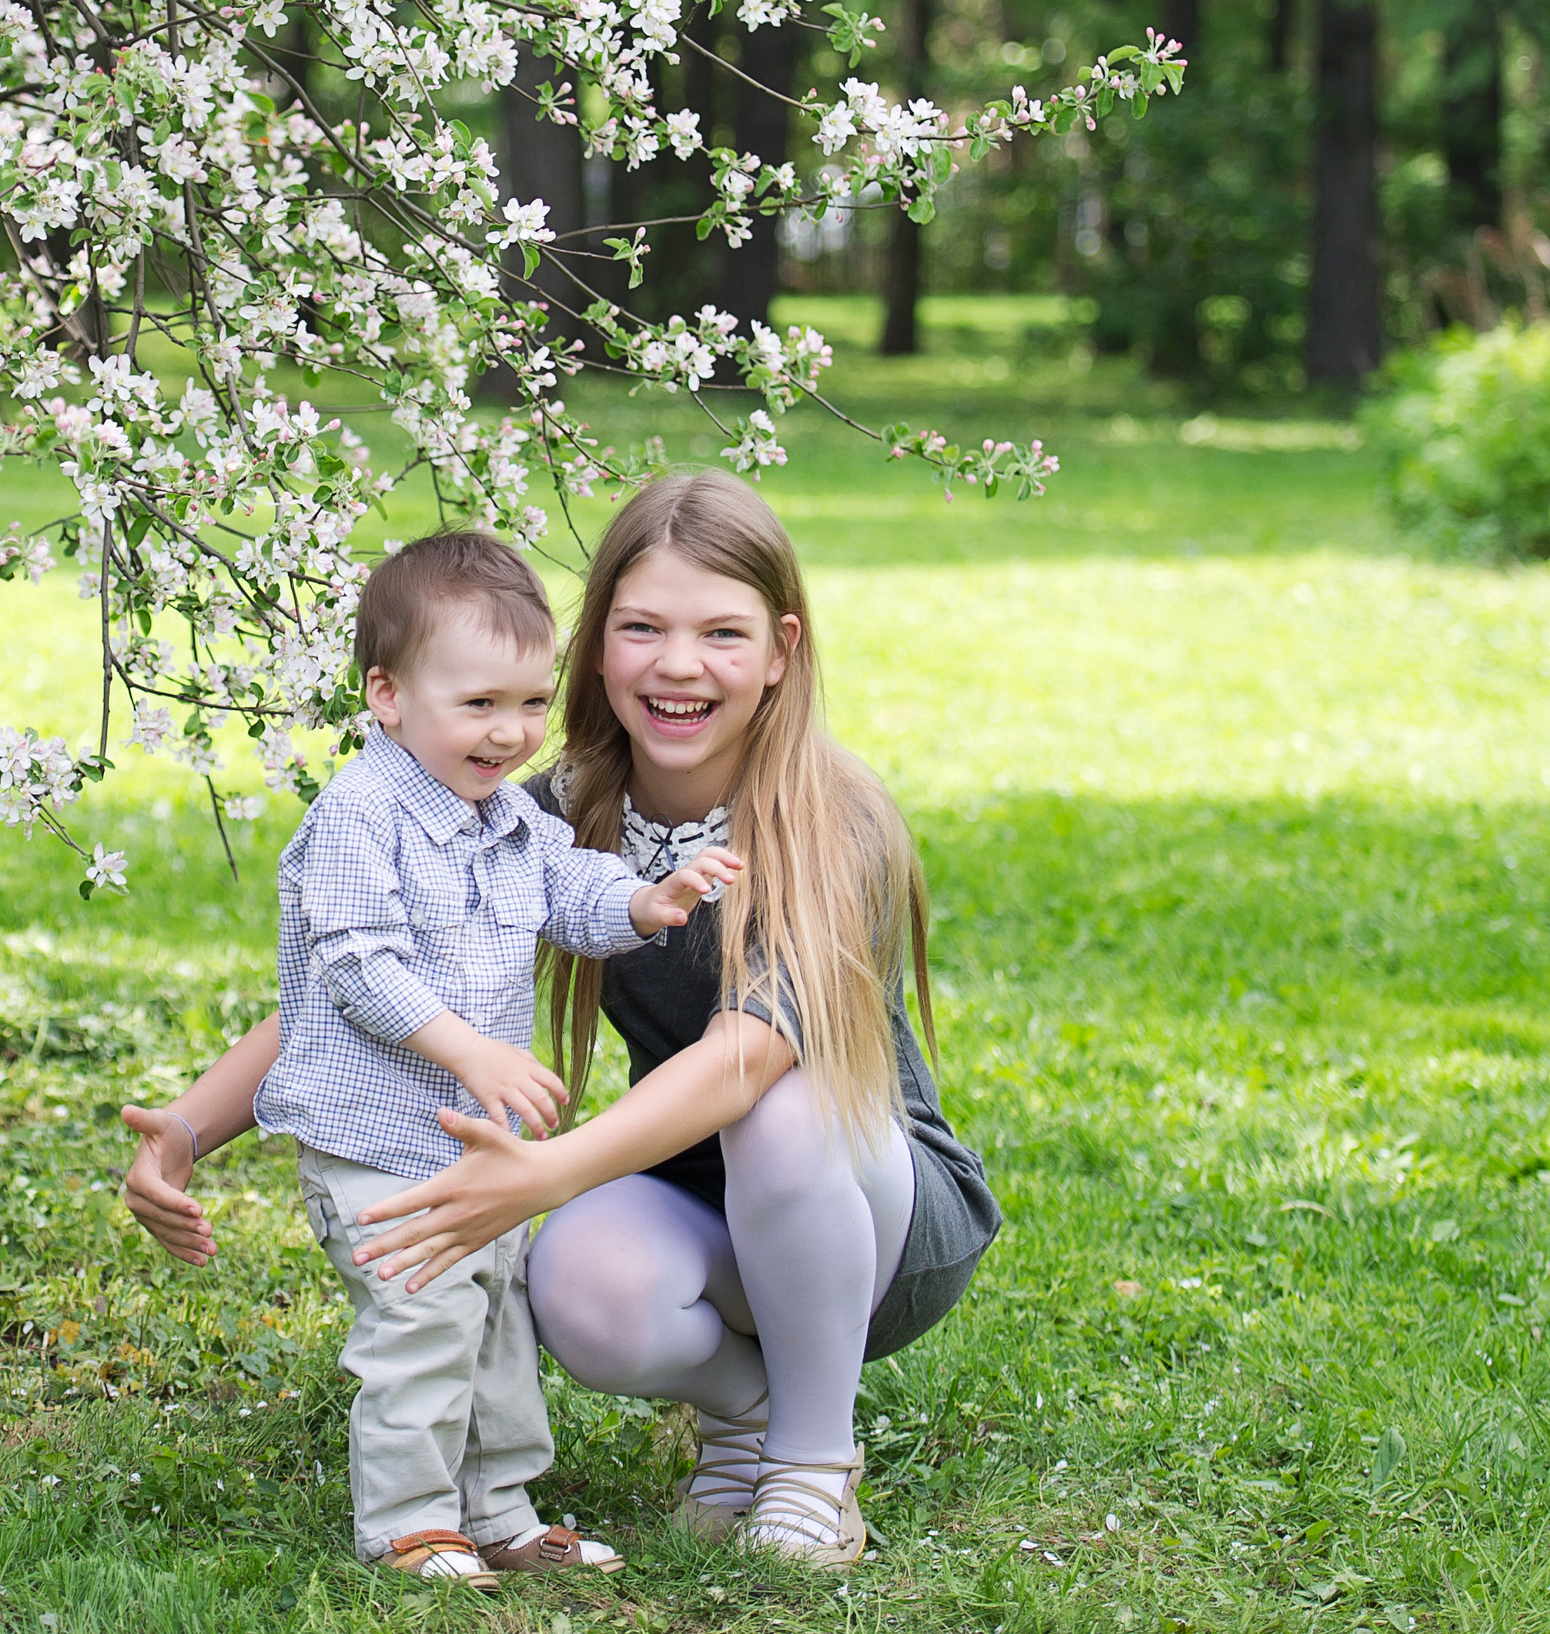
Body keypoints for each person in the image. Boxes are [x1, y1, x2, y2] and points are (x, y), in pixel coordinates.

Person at [122, 472, 999, 1572]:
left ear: (780, 648)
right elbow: (371, 980)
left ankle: (813, 1468)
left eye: (720, 632)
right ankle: (745, 1421)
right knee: (576, 1283)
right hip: (700, 1196)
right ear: (594, 651)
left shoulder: (833, 817)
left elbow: (748, 1059)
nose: (679, 663)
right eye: (641, 627)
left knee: (775, 1111)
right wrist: (187, 1129)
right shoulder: (546, 809)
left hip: (872, 1212)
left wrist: (551, 1170)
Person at [243, 530, 740, 1590]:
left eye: (528, 702)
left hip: (474, 1142)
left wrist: (645, 901)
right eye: (478, 705)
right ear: (386, 692)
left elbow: (569, 887)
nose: (509, 732)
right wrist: (469, 1047)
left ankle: (499, 1507)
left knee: (496, 1318)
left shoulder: (505, 814)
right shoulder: (359, 813)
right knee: (424, 1317)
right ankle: (410, 1520)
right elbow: (355, 961)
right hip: (376, 1140)